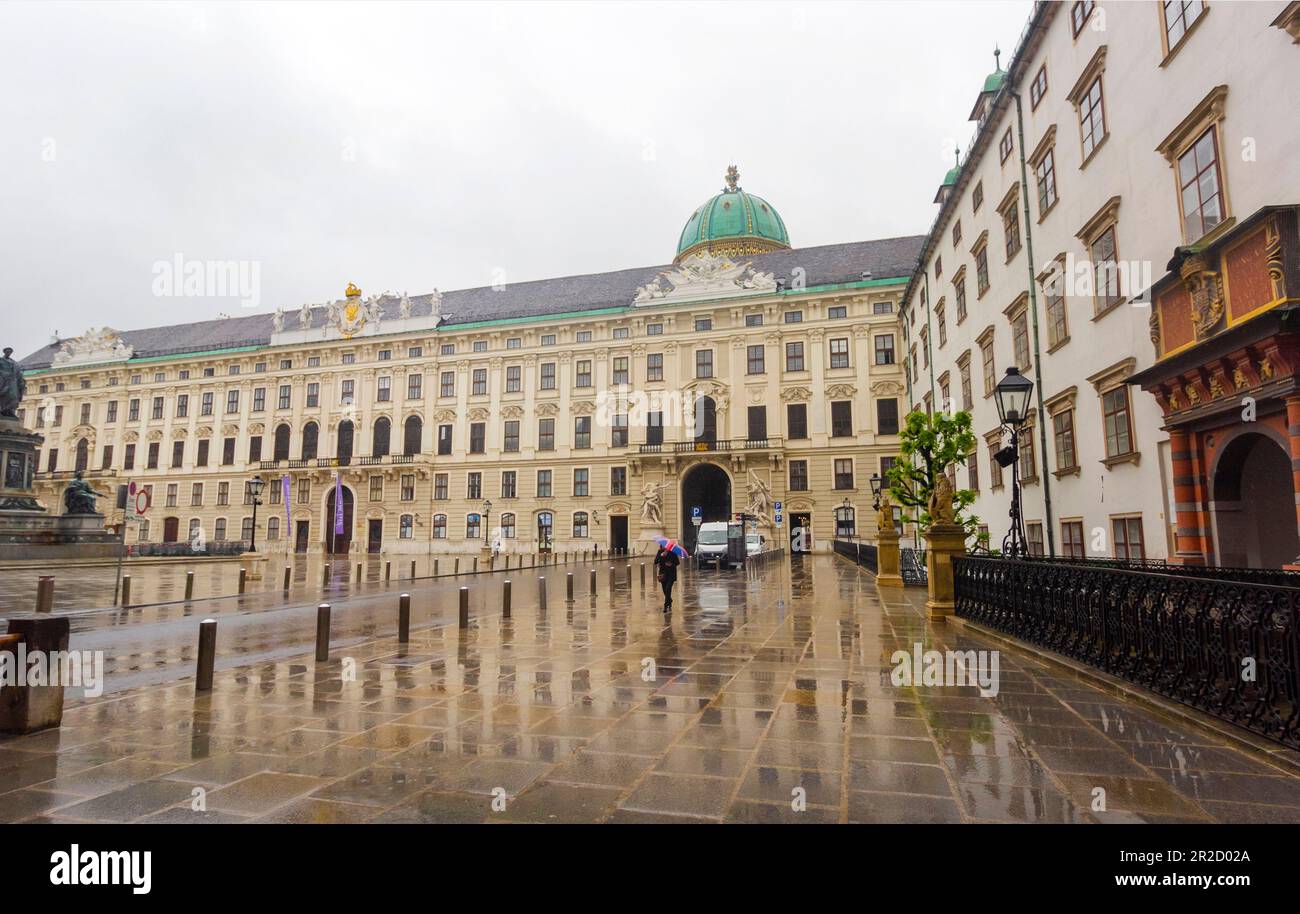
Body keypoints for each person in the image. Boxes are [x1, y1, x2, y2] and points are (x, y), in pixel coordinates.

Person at [653, 544, 680, 611]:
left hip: (671, 574)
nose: (663, 547)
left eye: (665, 546)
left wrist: (671, 564)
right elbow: (655, 561)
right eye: (662, 546)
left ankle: (665, 605)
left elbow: (677, 562)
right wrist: (661, 556)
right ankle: (669, 600)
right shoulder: (660, 552)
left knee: (668, 588)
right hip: (663, 574)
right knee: (665, 590)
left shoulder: (673, 552)